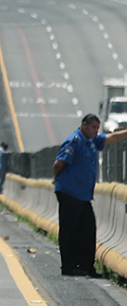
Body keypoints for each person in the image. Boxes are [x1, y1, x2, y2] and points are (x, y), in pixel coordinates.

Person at [53, 114, 127, 277]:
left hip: (83, 195)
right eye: (93, 127)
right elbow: (59, 164)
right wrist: (57, 181)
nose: (95, 131)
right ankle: (69, 266)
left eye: (97, 128)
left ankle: (86, 266)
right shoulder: (75, 141)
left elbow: (112, 137)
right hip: (70, 192)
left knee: (87, 230)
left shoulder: (92, 141)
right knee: (69, 230)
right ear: (84, 125)